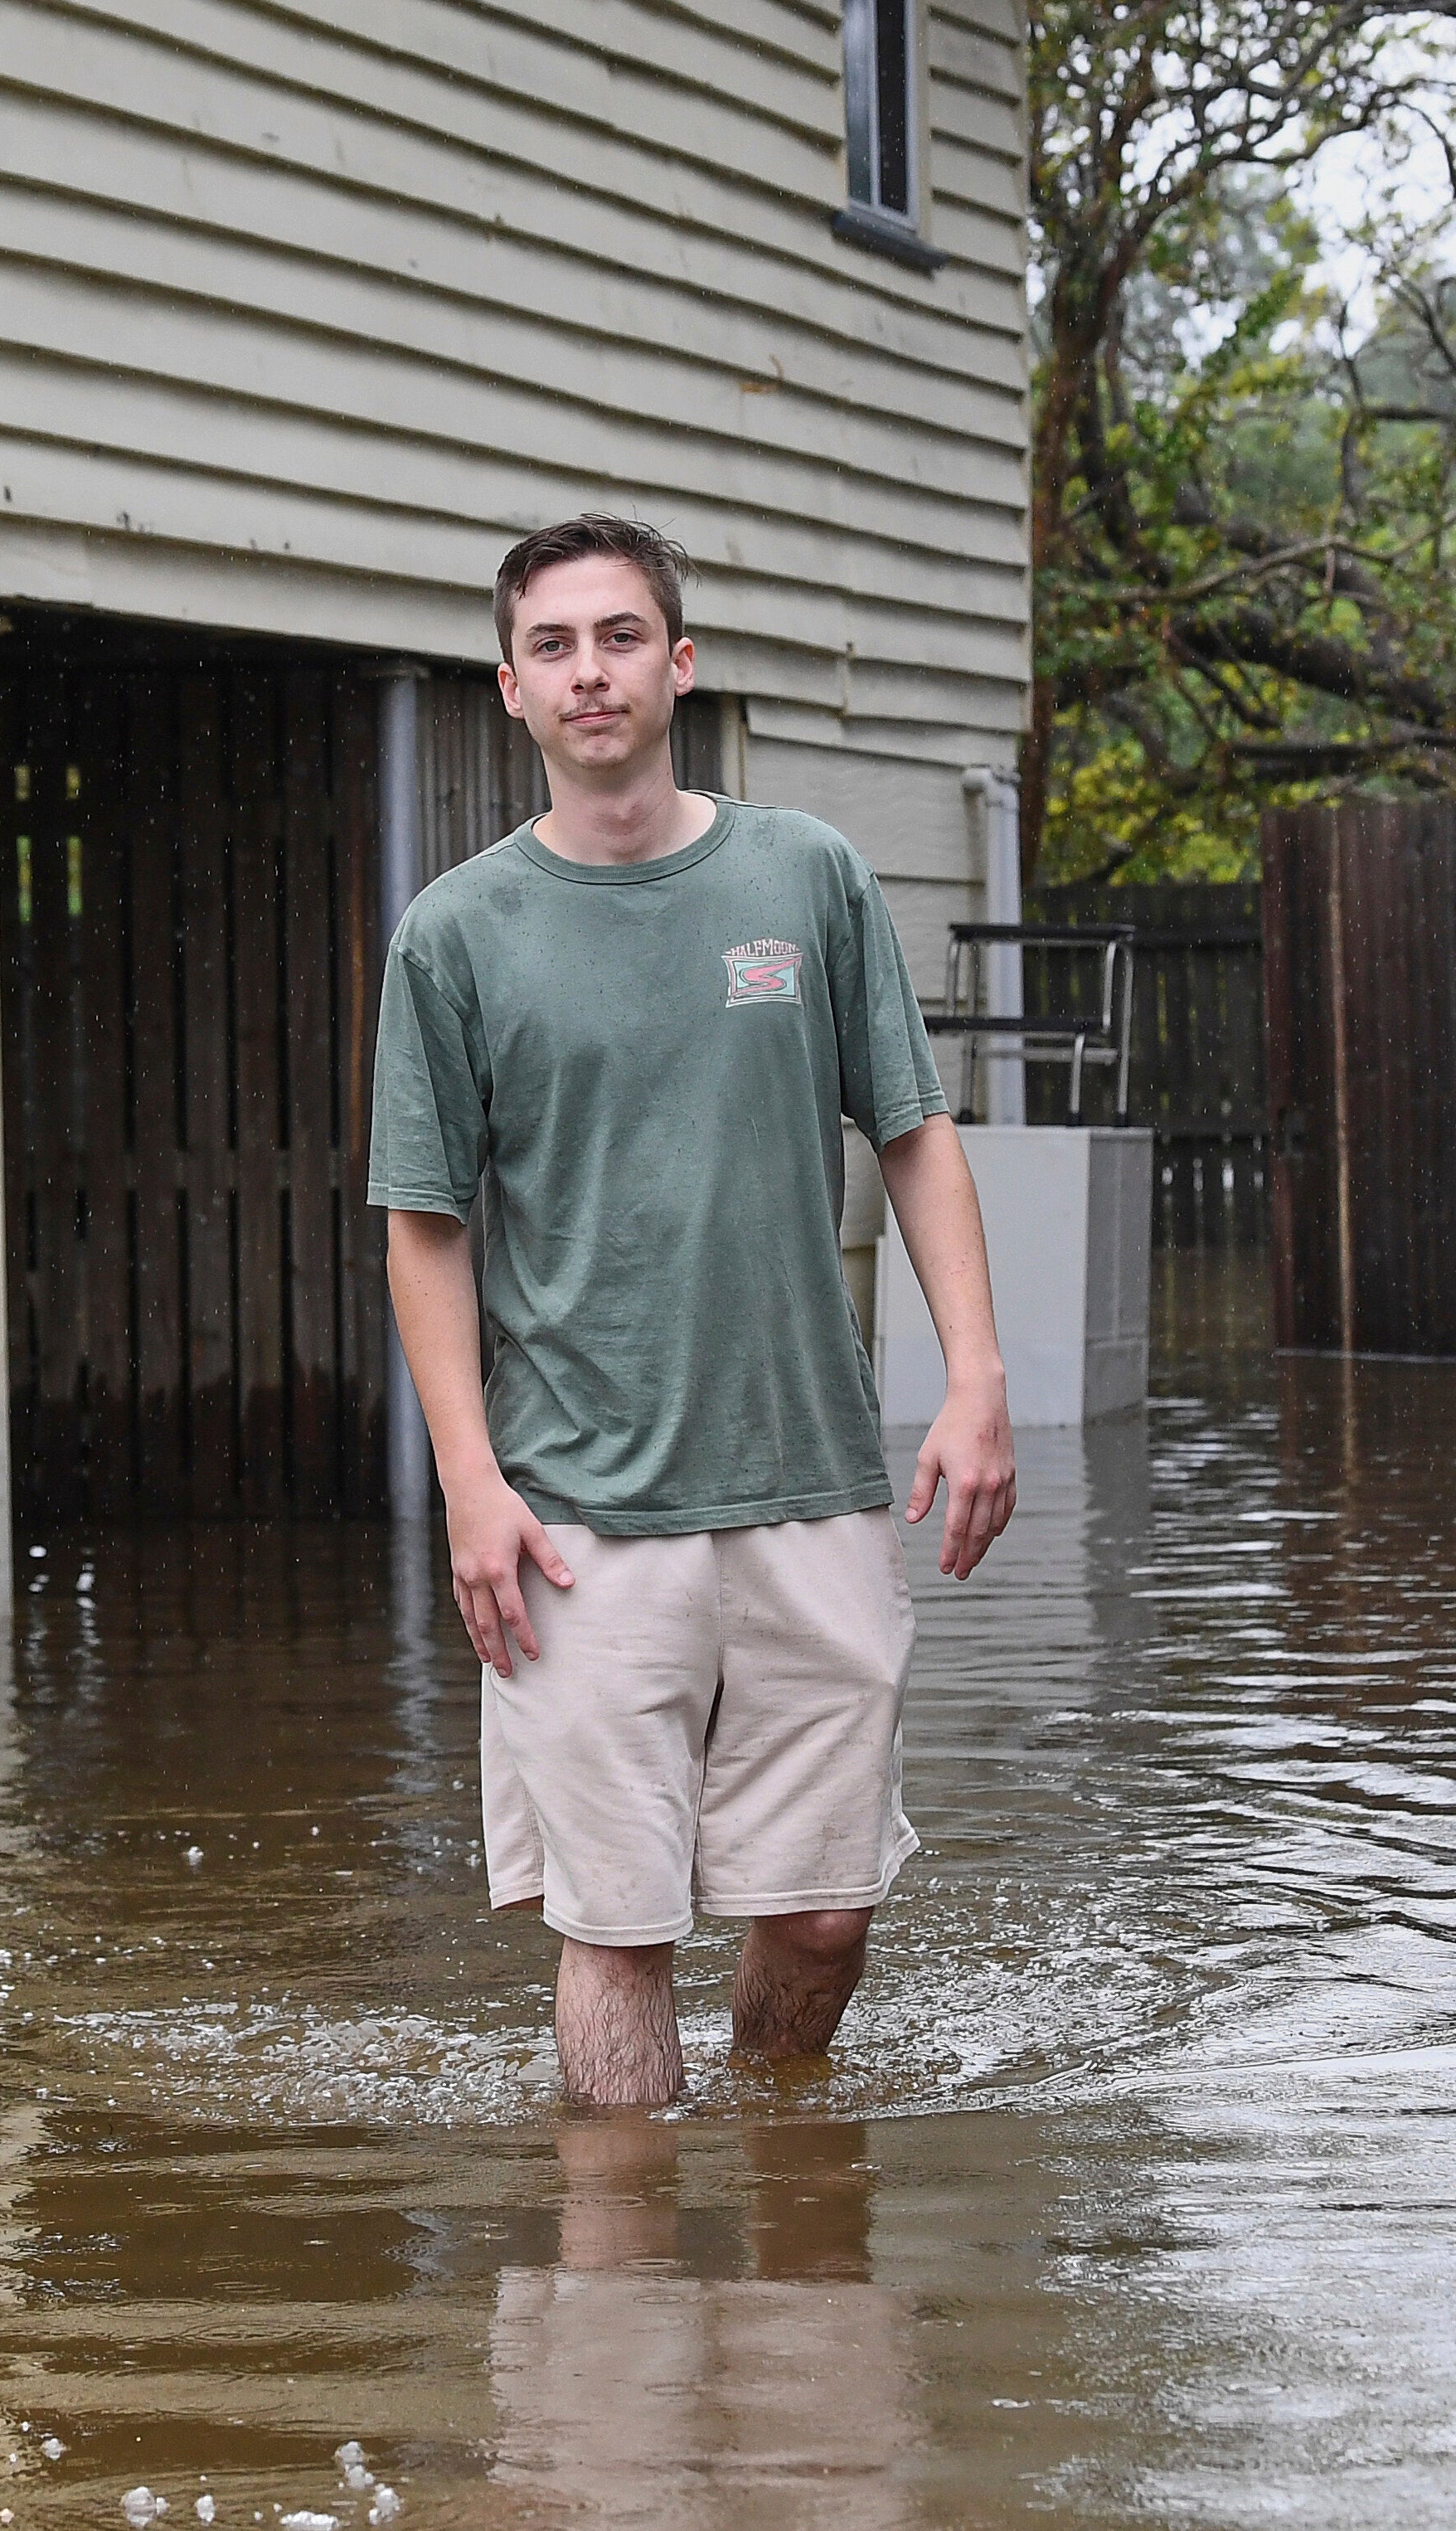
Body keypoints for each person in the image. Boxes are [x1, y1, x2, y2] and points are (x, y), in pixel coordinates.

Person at [370, 514, 1017, 2109]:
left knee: (822, 1911)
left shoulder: (805, 876)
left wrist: (975, 1374)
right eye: (552, 645)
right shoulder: (455, 933)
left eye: (617, 636)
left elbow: (915, 1135)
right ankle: (619, 2315)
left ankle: (779, 2155)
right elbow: (424, 1228)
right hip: (574, 1508)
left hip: (806, 1474)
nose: (588, 671)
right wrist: (470, 1484)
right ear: (508, 686)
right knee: (619, 1924)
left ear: (679, 661)